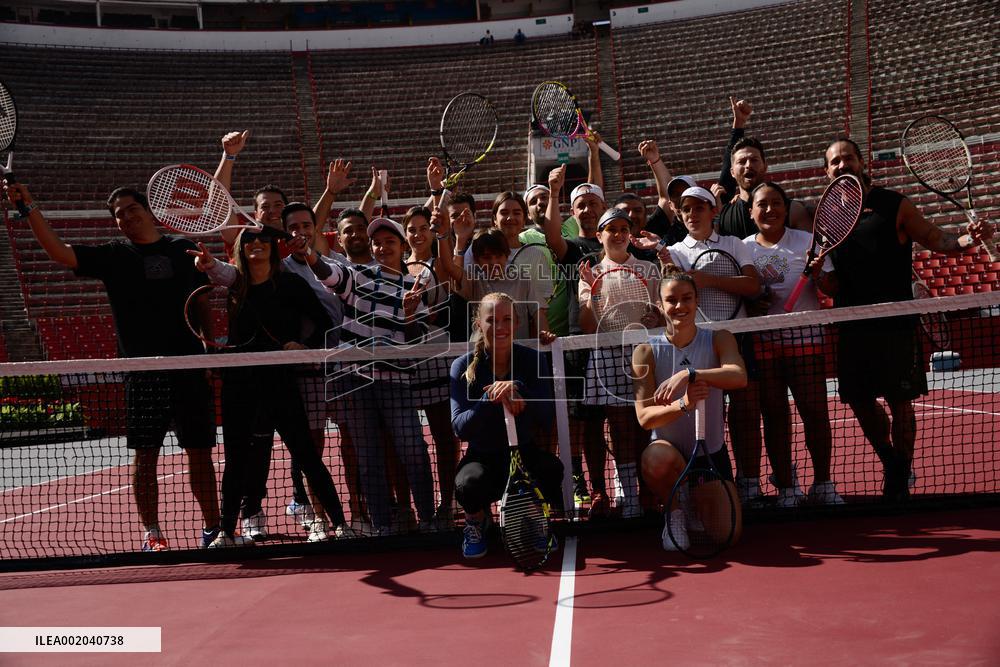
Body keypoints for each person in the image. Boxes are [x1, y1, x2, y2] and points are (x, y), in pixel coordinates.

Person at [6, 182, 221, 552]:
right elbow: (60, 253)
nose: (125, 217)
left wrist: (210, 350)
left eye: (131, 209)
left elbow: (200, 303)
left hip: (189, 367)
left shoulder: (182, 249)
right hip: (142, 371)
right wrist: (29, 209)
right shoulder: (114, 255)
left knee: (200, 452)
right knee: (145, 454)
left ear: (149, 211)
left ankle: (214, 529)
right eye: (118, 214)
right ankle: (153, 533)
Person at [820, 137, 994, 500]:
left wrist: (967, 240)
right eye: (834, 162)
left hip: (897, 322)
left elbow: (935, 238)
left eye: (848, 158)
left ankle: (898, 476)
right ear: (826, 171)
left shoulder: (894, 205)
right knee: (858, 401)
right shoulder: (828, 217)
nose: (841, 166)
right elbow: (832, 281)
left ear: (862, 162)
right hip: (852, 324)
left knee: (901, 403)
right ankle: (893, 462)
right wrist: (818, 274)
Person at [194, 226, 351, 547]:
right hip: (240, 383)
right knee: (237, 459)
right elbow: (218, 270)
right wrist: (209, 263)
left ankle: (340, 524)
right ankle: (226, 531)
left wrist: (302, 343)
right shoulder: (236, 284)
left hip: (280, 381)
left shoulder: (291, 284)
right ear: (241, 248)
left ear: (273, 247)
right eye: (248, 240)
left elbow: (323, 321)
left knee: (307, 455)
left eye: (263, 239)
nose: (256, 244)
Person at [635, 185, 763, 504]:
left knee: (745, 415)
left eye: (699, 207)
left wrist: (709, 280)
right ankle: (679, 499)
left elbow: (751, 284)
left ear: (713, 210)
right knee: (699, 411)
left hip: (735, 336)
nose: (692, 214)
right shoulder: (677, 250)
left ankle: (748, 483)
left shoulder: (735, 244)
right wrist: (662, 252)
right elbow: (674, 287)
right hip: (695, 341)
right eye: (686, 209)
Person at [742, 182, 843, 506]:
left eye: (776, 203)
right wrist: (755, 301)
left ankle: (823, 484)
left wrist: (818, 275)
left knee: (815, 412)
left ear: (786, 209)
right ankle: (787, 487)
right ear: (751, 211)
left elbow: (831, 287)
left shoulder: (807, 242)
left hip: (806, 341)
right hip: (764, 345)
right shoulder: (743, 248)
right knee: (774, 416)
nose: (769, 209)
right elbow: (743, 298)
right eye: (762, 204)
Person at [633, 268, 746, 551]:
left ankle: (695, 499)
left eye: (687, 299)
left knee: (726, 536)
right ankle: (676, 511)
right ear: (660, 306)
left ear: (697, 302)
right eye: (672, 300)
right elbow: (645, 418)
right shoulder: (645, 351)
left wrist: (690, 375)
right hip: (667, 452)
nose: (680, 306)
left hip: (709, 454)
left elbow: (738, 376)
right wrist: (683, 404)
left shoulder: (720, 338)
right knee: (655, 458)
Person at [450, 292, 564, 558]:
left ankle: (535, 519)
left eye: (507, 320)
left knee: (551, 470)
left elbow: (547, 418)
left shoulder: (533, 359)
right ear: (479, 324)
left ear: (516, 324)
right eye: (492, 320)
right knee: (467, 484)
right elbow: (459, 428)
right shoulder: (461, 366)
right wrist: (489, 400)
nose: (500, 327)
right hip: (482, 457)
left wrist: (518, 390)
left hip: (524, 453)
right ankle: (477, 521)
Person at [577, 208, 661, 518]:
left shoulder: (649, 269)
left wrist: (658, 316)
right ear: (599, 236)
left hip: (643, 355)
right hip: (608, 356)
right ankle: (631, 498)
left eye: (623, 228)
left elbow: (662, 310)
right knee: (620, 427)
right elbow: (587, 324)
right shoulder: (590, 273)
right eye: (610, 229)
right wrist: (593, 290)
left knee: (645, 426)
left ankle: (648, 491)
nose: (618, 233)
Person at [543, 166, 613, 516]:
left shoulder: (614, 242)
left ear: (603, 207)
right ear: (573, 212)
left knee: (607, 419)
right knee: (580, 420)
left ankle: (613, 488)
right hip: (577, 343)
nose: (587, 209)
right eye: (580, 205)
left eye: (592, 203)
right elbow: (552, 236)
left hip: (614, 340)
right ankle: (586, 487)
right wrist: (554, 192)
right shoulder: (572, 249)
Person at [715, 98, 812, 240]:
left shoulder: (791, 210)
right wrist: (738, 126)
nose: (748, 165)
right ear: (732, 172)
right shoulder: (723, 218)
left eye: (754, 160)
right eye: (742, 161)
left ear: (765, 166)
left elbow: (812, 253)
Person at [637, 139, 693, 246]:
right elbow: (664, 196)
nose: (681, 198)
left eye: (686, 192)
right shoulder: (668, 231)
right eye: (675, 195)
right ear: (670, 205)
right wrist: (654, 160)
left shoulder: (713, 227)